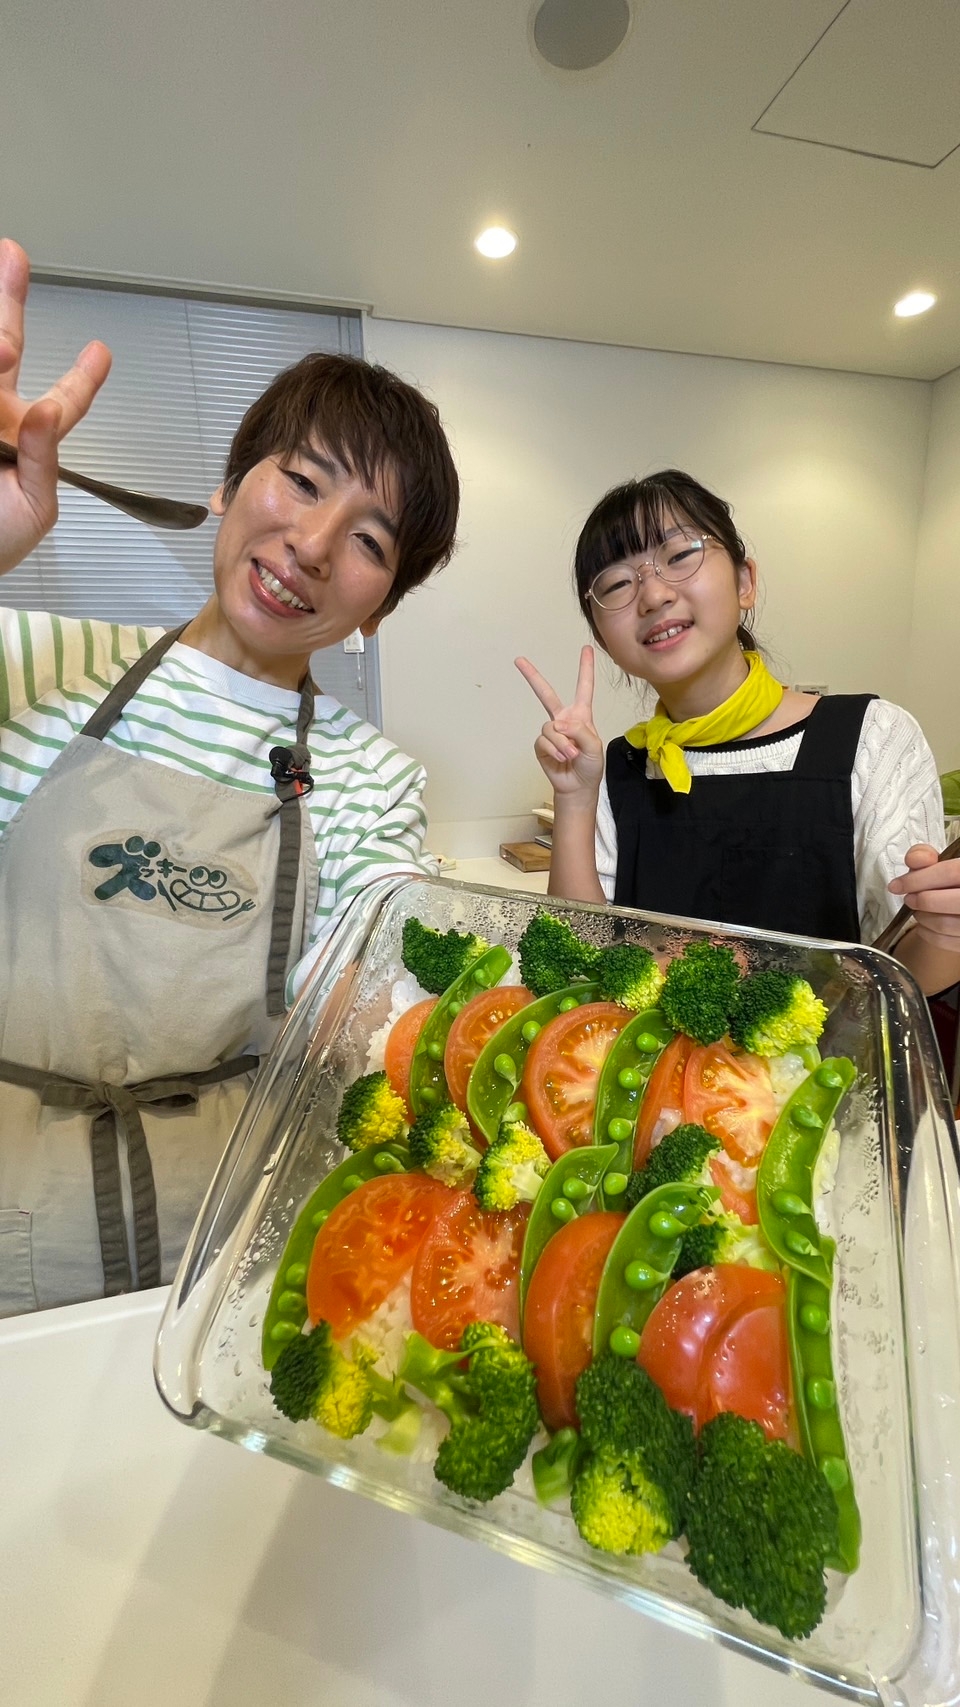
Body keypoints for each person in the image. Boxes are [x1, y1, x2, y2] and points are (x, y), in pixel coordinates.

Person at [0, 238, 459, 1315]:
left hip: (231, 1246)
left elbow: (374, 1001)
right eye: (300, 480)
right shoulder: (35, 666)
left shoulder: (370, 777)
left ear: (379, 606)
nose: (308, 544)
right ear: (225, 486)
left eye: (369, 541)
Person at [517, 468, 960, 996]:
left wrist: (948, 935)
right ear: (605, 640)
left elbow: (907, 975)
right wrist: (573, 797)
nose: (653, 595)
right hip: (653, 1077)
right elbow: (577, 970)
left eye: (680, 555)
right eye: (617, 583)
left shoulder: (874, 738)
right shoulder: (616, 769)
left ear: (745, 581)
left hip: (827, 1076)